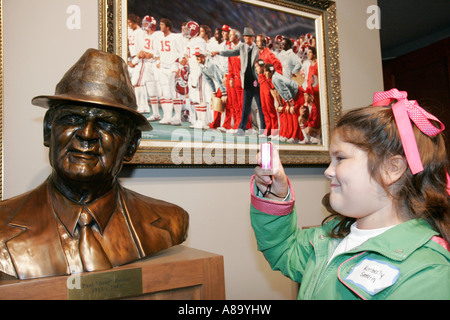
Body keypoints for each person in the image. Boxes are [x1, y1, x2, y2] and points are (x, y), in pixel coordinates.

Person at [0, 49, 189, 280]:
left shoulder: (170, 221)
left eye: (107, 124)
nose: (87, 134)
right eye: (73, 119)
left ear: (131, 145)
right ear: (49, 129)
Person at [250, 88, 450, 299]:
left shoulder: (425, 272)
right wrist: (275, 196)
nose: (327, 171)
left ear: (392, 169)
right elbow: (284, 249)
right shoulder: (330, 237)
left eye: (341, 158)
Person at [215, 27, 265, 136]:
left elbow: (263, 63)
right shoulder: (242, 47)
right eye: (245, 36)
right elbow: (231, 52)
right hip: (245, 80)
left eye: (249, 36)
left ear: (252, 38)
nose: (247, 38)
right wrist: (218, 52)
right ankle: (241, 129)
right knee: (245, 106)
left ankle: (262, 129)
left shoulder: (257, 48)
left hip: (255, 80)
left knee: (259, 106)